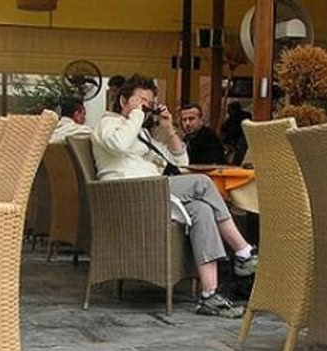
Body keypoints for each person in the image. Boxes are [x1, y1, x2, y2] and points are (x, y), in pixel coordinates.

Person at [91, 74, 258, 318]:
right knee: (202, 182)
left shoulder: (140, 133)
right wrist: (136, 115)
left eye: (148, 103)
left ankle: (209, 295)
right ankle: (243, 252)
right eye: (140, 101)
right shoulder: (107, 124)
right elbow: (118, 145)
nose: (144, 107)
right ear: (124, 101)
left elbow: (180, 162)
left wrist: (169, 129)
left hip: (152, 192)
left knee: (201, 209)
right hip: (128, 194)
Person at [220, 101, 252, 165]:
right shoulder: (231, 119)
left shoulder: (237, 118)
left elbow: (231, 130)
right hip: (235, 140)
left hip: (240, 139)